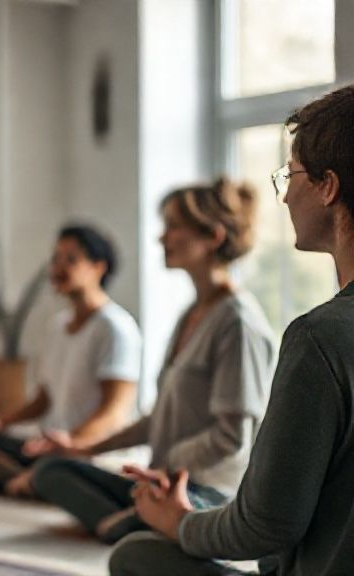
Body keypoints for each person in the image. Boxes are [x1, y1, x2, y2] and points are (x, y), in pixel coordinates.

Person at [109, 84, 354, 576]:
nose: (284, 195)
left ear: (328, 186)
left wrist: (179, 523)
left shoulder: (319, 338)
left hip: (215, 494)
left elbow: (265, 527)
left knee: (135, 556)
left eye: (292, 175)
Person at [30, 177, 276, 544]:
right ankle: (134, 519)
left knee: (132, 547)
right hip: (163, 480)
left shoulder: (238, 324)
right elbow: (157, 418)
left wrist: (167, 464)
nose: (161, 238)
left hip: (207, 495)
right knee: (53, 470)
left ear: (213, 237)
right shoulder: (191, 313)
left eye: (173, 227)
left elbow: (232, 438)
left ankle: (137, 523)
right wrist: (84, 448)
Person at [0, 224, 141, 495]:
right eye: (56, 259)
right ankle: (36, 480)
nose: (58, 267)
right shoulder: (57, 326)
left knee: (57, 469)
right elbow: (44, 399)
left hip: (85, 452)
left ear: (99, 267)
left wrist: (72, 442)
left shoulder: (115, 327)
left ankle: (39, 480)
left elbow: (114, 413)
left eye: (70, 259)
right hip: (49, 447)